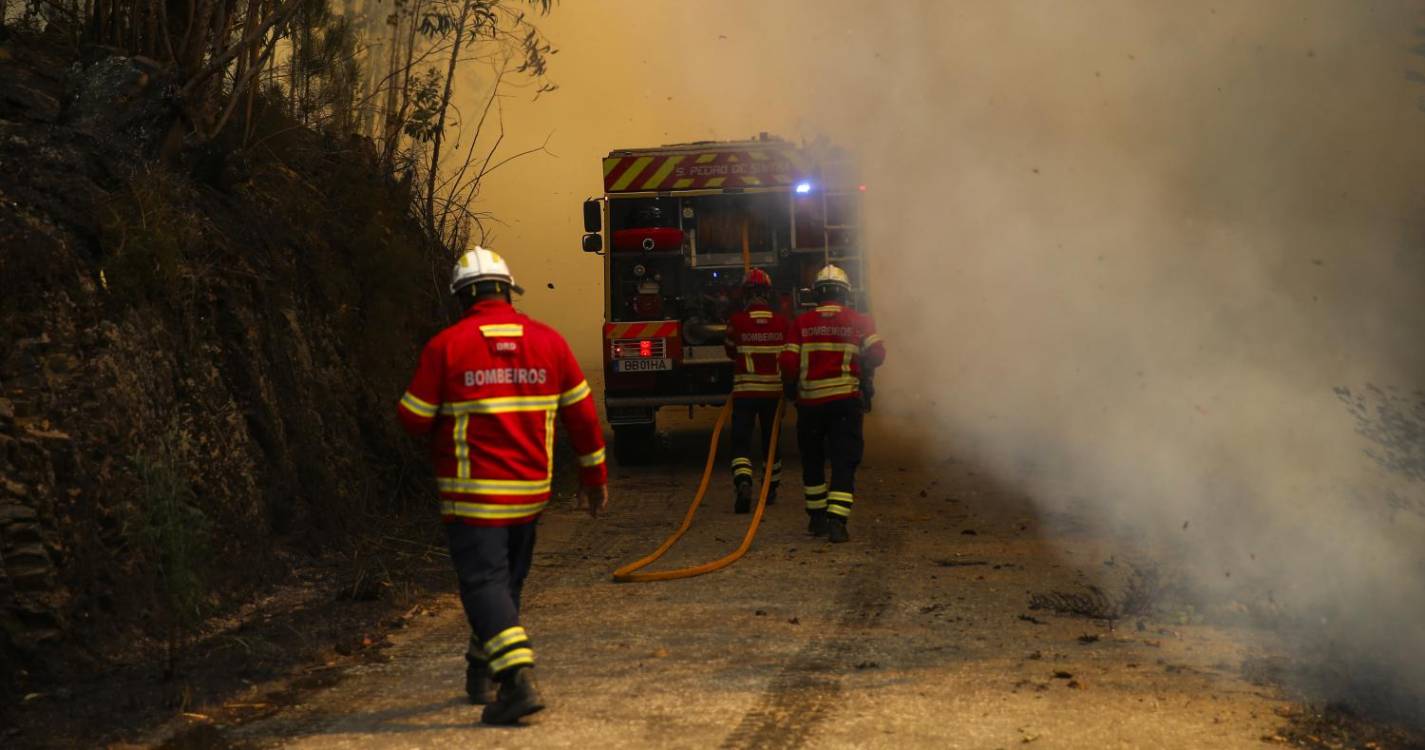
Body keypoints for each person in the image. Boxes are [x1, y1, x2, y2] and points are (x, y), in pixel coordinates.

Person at [397, 247, 610, 725]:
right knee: (506, 584)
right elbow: (582, 416)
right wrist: (594, 477)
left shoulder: (447, 347)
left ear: (463, 295)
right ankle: (480, 667)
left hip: (474, 498)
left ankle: (516, 681)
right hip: (531, 494)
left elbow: (412, 419)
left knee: (484, 584)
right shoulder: (549, 343)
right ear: (508, 291)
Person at [780, 264, 886, 543]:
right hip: (845, 406)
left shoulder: (801, 323)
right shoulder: (859, 320)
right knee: (844, 461)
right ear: (845, 294)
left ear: (816, 294)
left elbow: (789, 362)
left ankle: (816, 519)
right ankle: (837, 521)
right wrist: (861, 364)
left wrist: (791, 387)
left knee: (812, 459)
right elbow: (878, 353)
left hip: (810, 404)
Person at [723, 268, 789, 513]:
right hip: (773, 394)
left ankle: (743, 481)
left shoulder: (737, 322)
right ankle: (770, 488)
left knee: (741, 441)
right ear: (767, 294)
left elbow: (730, 350)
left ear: (746, 294)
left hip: (744, 394)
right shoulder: (781, 323)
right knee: (771, 442)